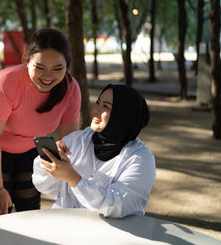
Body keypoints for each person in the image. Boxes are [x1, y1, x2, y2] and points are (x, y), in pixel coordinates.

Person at [0, 28, 81, 218]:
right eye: (40, 67)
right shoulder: (5, 81)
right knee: (0, 209)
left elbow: (69, 142)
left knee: (29, 209)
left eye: (58, 69)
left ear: (67, 66)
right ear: (27, 60)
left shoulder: (71, 89)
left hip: (31, 147)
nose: (48, 76)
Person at [32, 84, 156, 218]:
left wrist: (74, 179)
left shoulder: (140, 158)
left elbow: (117, 205)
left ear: (123, 116)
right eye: (98, 102)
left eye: (106, 107)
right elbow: (44, 186)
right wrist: (49, 161)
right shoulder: (77, 140)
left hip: (114, 233)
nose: (96, 110)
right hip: (66, 224)